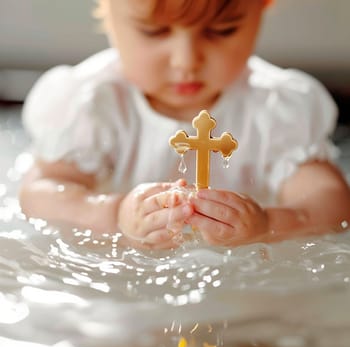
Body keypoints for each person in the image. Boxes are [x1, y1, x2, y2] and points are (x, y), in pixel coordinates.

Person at [19, 0, 350, 249]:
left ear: (262, 8)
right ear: (107, 11)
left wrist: (268, 224)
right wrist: (115, 214)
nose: (187, 60)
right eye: (154, 31)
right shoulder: (91, 105)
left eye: (222, 30)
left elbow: (331, 204)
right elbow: (40, 194)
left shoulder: (277, 109)